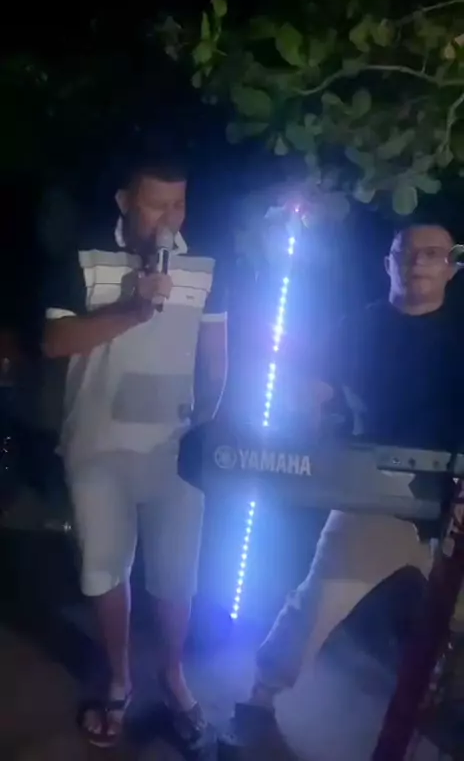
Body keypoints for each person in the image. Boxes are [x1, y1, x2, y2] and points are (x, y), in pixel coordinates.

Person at [237, 221, 464, 741]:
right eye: (407, 253)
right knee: (318, 603)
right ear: (388, 263)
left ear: (451, 267)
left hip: (453, 505)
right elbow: (310, 396)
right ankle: (258, 699)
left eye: (432, 254)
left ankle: (436, 699)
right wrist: (300, 423)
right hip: (373, 498)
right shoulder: (356, 327)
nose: (418, 263)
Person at [42, 152, 228, 749]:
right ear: (125, 203)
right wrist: (134, 309)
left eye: (179, 204)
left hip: (178, 454)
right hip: (97, 448)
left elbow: (216, 358)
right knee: (104, 569)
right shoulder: (84, 257)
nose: (169, 218)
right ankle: (120, 679)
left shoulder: (205, 265)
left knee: (176, 577)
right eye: (155, 204)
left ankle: (173, 676)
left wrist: (209, 427)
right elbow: (55, 340)